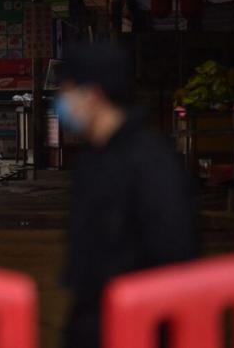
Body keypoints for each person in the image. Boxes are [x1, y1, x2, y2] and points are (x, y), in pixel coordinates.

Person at [57, 45, 198, 348]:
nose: (63, 103)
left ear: (93, 95)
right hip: (93, 318)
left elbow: (175, 253)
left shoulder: (150, 163)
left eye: (67, 92)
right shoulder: (93, 159)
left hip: (138, 324)